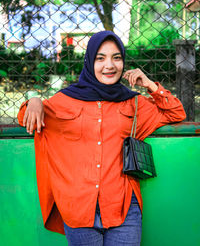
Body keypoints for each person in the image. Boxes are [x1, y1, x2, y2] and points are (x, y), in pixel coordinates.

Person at [18, 31, 186, 246]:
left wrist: (150, 85)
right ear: (89, 61)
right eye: (100, 58)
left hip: (123, 208)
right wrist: (34, 101)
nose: (110, 65)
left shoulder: (134, 103)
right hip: (78, 209)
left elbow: (175, 113)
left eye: (116, 57)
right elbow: (25, 117)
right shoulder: (64, 101)